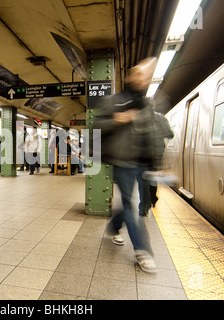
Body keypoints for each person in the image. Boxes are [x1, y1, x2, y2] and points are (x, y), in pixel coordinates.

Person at [93, 57, 159, 273]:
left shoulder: (147, 104)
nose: (142, 79)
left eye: (146, 76)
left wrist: (156, 163)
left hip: (143, 163)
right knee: (131, 205)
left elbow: (151, 135)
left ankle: (113, 227)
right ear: (130, 76)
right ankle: (143, 251)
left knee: (134, 203)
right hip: (122, 162)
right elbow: (96, 126)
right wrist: (117, 120)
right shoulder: (114, 100)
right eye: (138, 74)